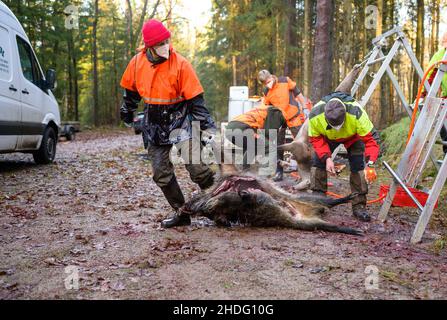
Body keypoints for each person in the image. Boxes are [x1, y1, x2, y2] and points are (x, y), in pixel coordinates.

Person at [120, 19, 216, 228]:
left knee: (198, 169)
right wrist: (127, 110)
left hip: (181, 119)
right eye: (161, 43)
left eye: (167, 41)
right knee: (161, 174)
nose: (166, 46)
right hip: (154, 122)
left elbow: (196, 101)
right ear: (149, 47)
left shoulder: (180, 64)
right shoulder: (136, 63)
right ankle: (181, 213)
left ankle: (219, 207)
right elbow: (131, 93)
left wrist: (207, 126)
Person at [308, 92, 380, 222]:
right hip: (327, 137)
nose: (337, 129)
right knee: (318, 162)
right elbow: (315, 139)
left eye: (339, 126)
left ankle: (359, 205)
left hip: (353, 137)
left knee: (358, 166)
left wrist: (370, 164)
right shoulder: (314, 115)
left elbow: (371, 141)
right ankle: (318, 202)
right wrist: (327, 158)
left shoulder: (357, 113)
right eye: (333, 126)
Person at [258, 70, 312, 181]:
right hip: (279, 120)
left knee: (301, 143)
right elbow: (266, 107)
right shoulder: (266, 91)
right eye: (266, 83)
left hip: (293, 116)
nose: (269, 84)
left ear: (272, 76)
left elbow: (298, 93)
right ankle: (279, 172)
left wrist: (305, 107)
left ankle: (307, 172)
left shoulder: (285, 80)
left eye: (269, 81)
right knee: (278, 145)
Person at [423, 31, 447, 153]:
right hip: (446, 97)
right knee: (442, 124)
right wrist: (422, 95)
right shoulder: (440, 55)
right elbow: (430, 75)